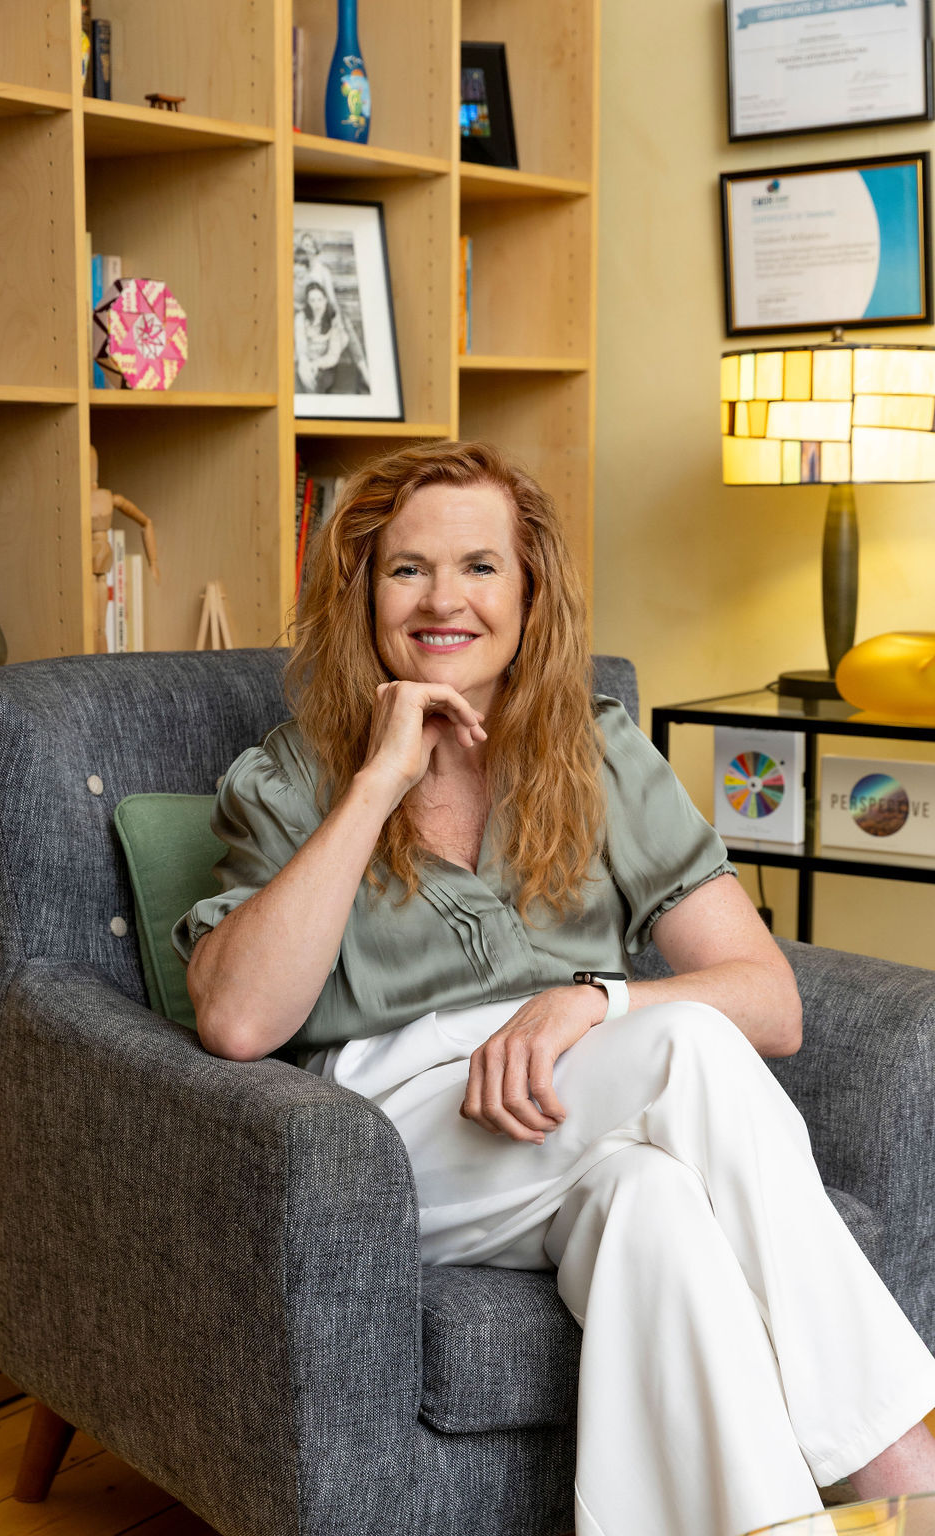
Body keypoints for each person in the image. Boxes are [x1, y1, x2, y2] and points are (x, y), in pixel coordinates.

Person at [172, 440, 935, 1536]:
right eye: (407, 570)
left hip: (576, 1099)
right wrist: (379, 777)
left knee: (656, 1212)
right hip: (387, 1142)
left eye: (480, 567)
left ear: (529, 594)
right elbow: (239, 1021)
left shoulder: (597, 751)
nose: (444, 599)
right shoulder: (293, 777)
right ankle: (900, 1480)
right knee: (687, 1050)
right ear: (362, 593)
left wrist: (595, 998)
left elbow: (770, 1002)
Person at [294, 280, 363, 395]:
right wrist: (304, 364)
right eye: (312, 300)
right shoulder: (301, 318)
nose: (317, 304)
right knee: (298, 378)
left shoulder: (333, 320)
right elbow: (301, 346)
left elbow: (333, 355)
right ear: (308, 302)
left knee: (316, 381)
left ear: (325, 300)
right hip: (302, 362)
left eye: (320, 299)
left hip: (324, 365)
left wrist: (315, 364)